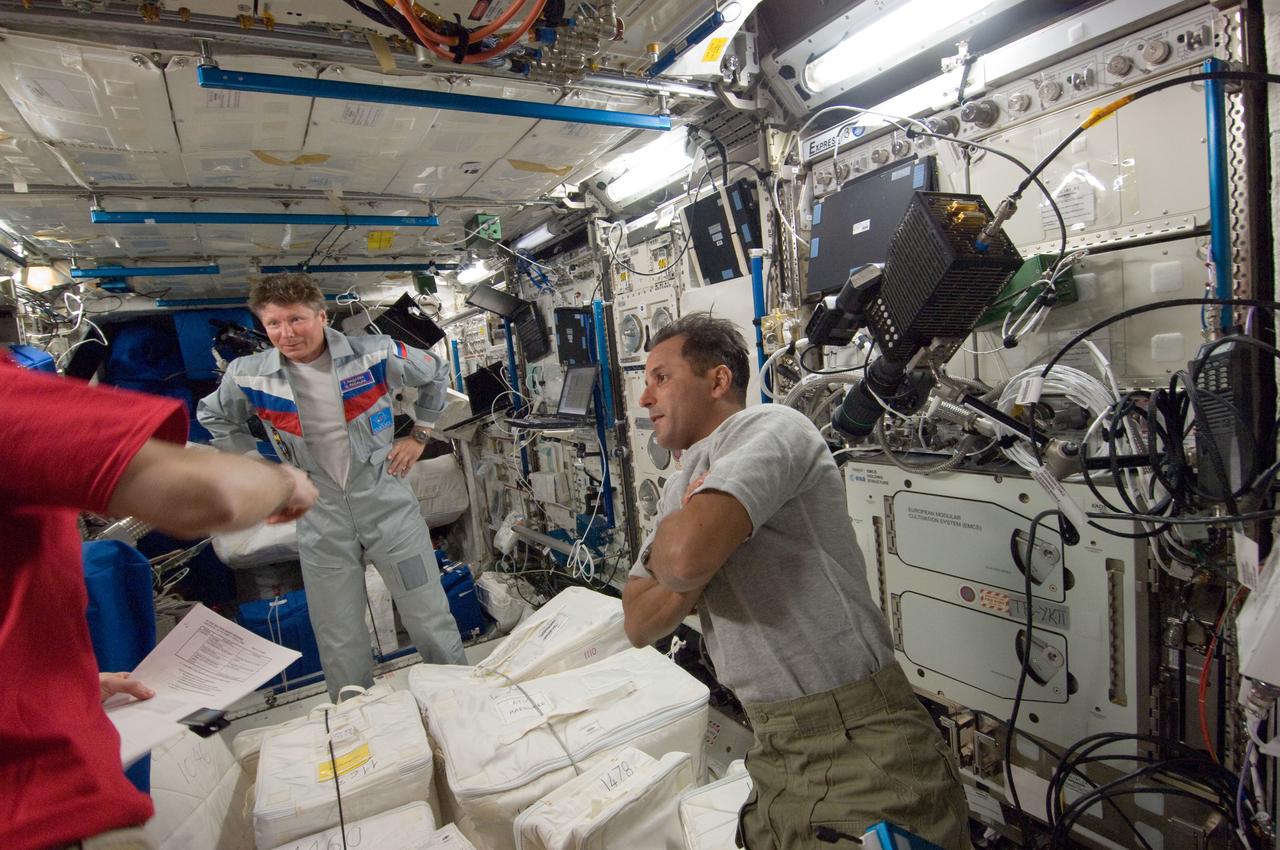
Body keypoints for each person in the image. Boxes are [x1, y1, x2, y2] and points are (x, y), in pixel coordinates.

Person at [621, 315, 971, 850]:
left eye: (660, 378)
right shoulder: (679, 488)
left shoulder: (772, 429)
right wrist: (698, 542)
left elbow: (685, 559)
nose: (645, 398)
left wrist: (693, 556)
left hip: (857, 742)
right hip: (773, 745)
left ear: (718, 381)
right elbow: (639, 621)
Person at [0, 353, 318, 850]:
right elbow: (207, 495)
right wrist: (283, 481)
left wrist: (76, 684)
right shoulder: (10, 402)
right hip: (33, 814)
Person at [198, 272, 466, 701]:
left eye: (296, 319)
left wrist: (420, 435)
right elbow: (215, 417)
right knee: (339, 636)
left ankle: (461, 702)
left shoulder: (374, 354)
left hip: (387, 507)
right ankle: (357, 726)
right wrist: (259, 469)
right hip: (321, 521)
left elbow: (436, 371)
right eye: (274, 324)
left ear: (321, 316)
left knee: (429, 617)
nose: (286, 333)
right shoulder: (248, 375)